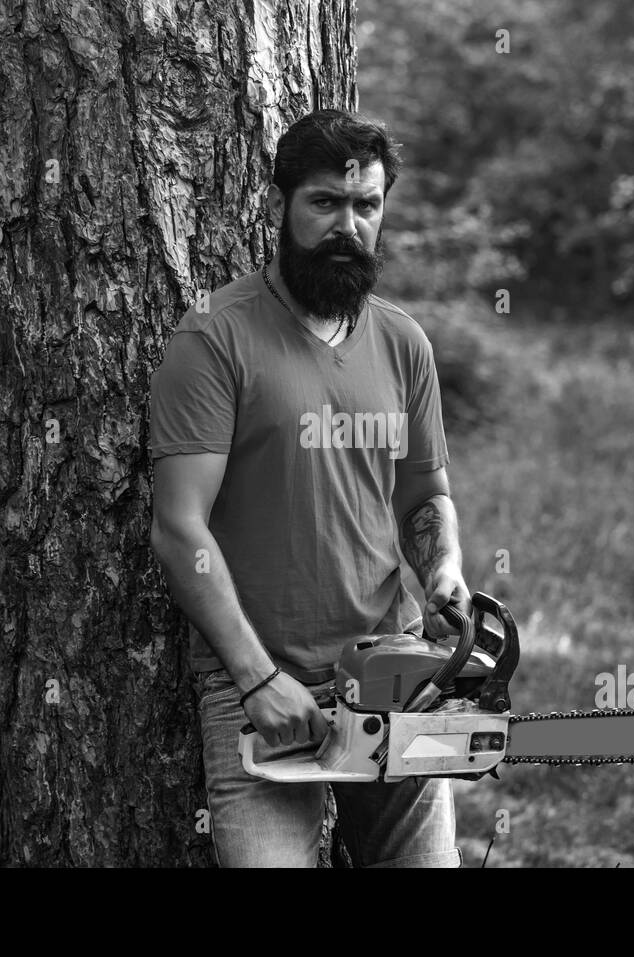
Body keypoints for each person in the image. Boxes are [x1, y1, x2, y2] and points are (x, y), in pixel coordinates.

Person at [148, 108, 470, 867]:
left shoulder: (402, 343)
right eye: (325, 203)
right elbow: (178, 528)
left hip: (393, 666)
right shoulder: (214, 338)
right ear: (279, 206)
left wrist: (444, 568)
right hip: (257, 680)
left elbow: (423, 491)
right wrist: (258, 677)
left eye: (367, 205)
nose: (348, 226)